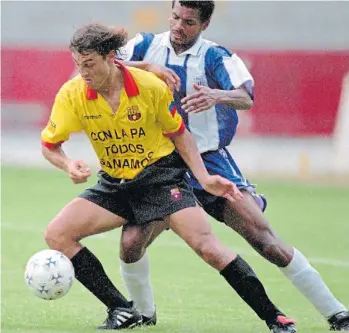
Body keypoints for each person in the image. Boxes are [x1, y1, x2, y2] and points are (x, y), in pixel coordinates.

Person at [41, 22, 297, 332]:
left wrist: (203, 178)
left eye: (90, 64)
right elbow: (50, 146)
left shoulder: (149, 86)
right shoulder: (73, 94)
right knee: (57, 235)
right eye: (78, 64)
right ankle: (121, 310)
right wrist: (67, 164)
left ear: (111, 58)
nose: (82, 72)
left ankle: (275, 317)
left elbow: (181, 135)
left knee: (208, 248)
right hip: (116, 183)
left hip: (161, 179)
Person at [116, 1, 349, 331]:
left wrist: (216, 95)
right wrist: (148, 69)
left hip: (210, 162)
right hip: (160, 165)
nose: (179, 26)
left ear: (205, 24)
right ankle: (143, 313)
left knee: (265, 239)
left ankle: (337, 313)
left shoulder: (217, 57)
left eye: (189, 22)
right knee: (131, 242)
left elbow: (246, 96)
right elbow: (108, 64)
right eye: (175, 17)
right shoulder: (144, 45)